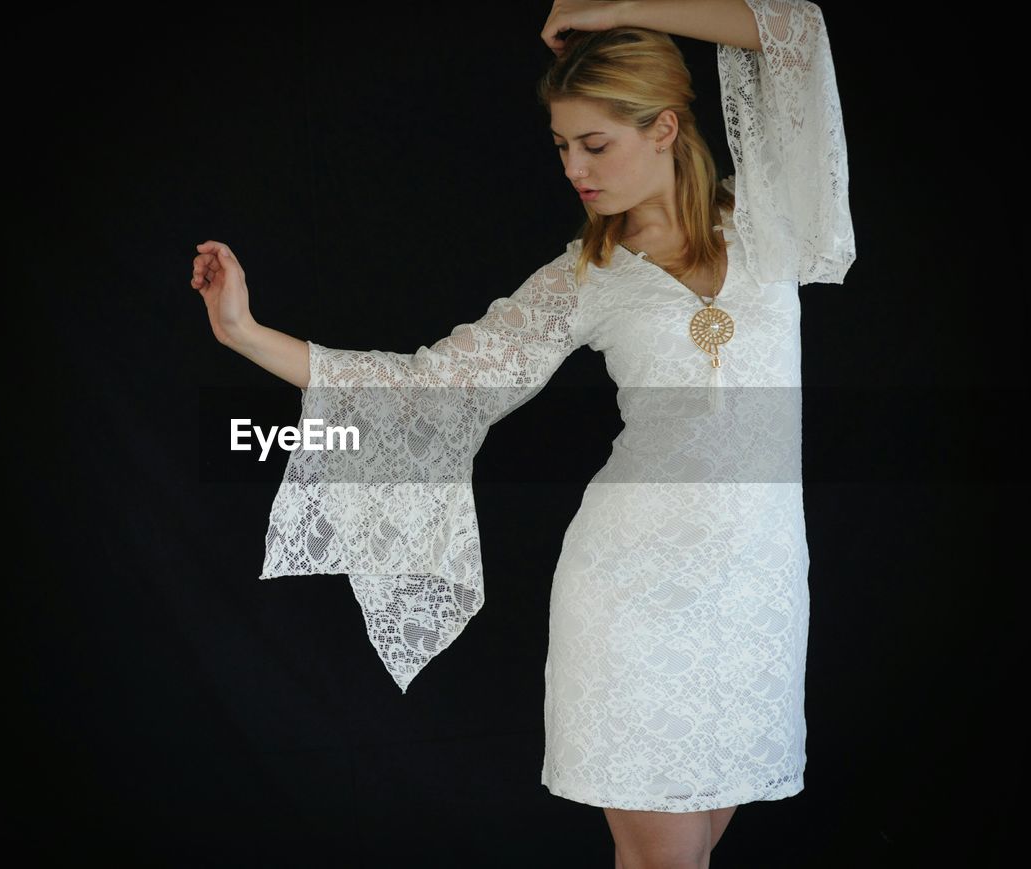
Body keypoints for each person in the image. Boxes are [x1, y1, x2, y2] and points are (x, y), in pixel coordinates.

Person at [192, 0, 854, 865]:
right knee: (662, 861)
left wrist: (620, 6)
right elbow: (431, 388)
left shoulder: (769, 222)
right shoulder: (585, 278)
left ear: (664, 128)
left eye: (594, 144)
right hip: (630, 589)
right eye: (561, 146)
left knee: (691, 854)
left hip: (758, 590)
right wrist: (244, 333)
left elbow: (795, 32)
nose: (574, 168)